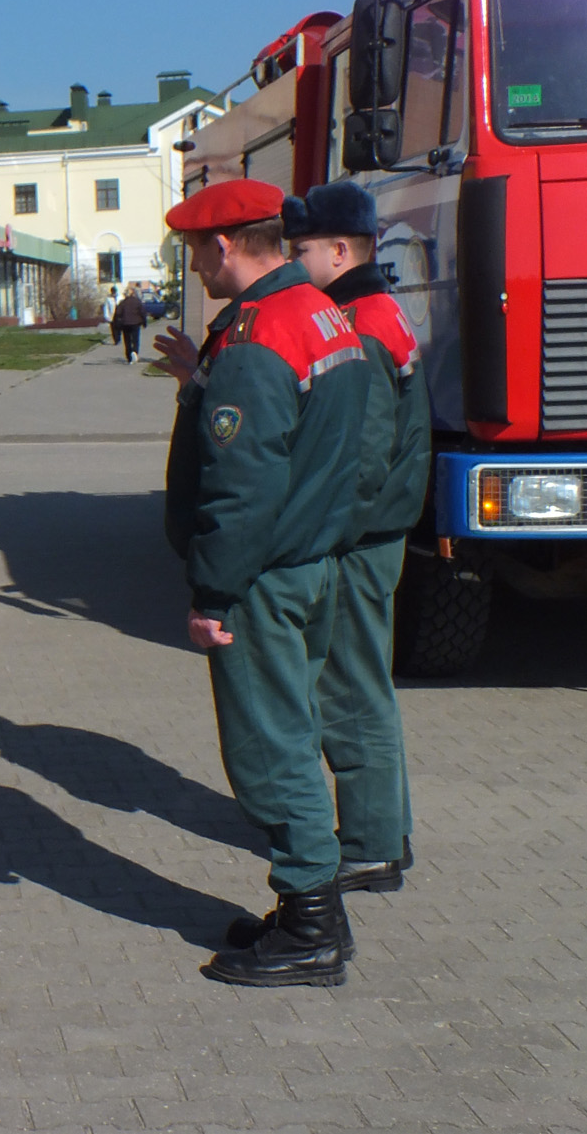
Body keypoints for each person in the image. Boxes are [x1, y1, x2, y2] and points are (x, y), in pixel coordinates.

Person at [156, 177, 371, 988]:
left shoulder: (256, 334)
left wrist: (210, 594)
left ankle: (312, 925)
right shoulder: (321, 314)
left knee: (268, 750)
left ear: (222, 246)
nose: (196, 268)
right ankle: (307, 912)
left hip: (263, 581)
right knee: (291, 728)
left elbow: (241, 488)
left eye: (195, 252)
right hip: (312, 563)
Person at [215, 182, 428, 953]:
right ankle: (376, 831)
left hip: (356, 539)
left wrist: (323, 535)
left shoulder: (359, 321)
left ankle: (369, 840)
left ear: (341, 250)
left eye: (302, 249)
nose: (294, 262)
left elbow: (359, 456)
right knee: (358, 681)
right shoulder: (374, 312)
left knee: (348, 687)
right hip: (370, 532)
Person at [111, 284, 147, 363]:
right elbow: (143, 312)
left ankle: (129, 356)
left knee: (127, 340)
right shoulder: (137, 302)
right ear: (133, 293)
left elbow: (118, 313)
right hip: (136, 323)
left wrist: (117, 324)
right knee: (135, 339)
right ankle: (135, 352)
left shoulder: (123, 303)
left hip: (125, 324)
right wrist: (144, 322)